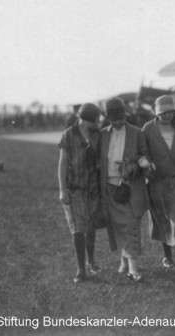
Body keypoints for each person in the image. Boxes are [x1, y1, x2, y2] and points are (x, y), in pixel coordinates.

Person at [99, 97, 151, 282]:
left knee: (130, 226)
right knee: (116, 227)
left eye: (121, 118)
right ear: (108, 118)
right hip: (109, 188)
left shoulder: (137, 133)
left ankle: (133, 269)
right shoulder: (102, 134)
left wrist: (133, 167)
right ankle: (123, 261)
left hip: (130, 187)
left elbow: (145, 158)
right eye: (114, 120)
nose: (119, 122)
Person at [142, 96, 175, 275]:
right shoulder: (148, 128)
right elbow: (143, 152)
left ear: (174, 110)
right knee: (162, 220)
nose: (166, 116)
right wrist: (147, 164)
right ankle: (167, 257)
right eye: (162, 113)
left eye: (169, 112)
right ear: (156, 113)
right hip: (158, 181)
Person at [57, 103, 102, 283]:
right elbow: (62, 164)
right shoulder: (69, 134)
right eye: (95, 120)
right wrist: (62, 190)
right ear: (85, 120)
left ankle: (91, 262)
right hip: (75, 189)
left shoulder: (97, 134)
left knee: (90, 227)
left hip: (93, 189)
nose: (98, 122)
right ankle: (80, 269)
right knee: (77, 229)